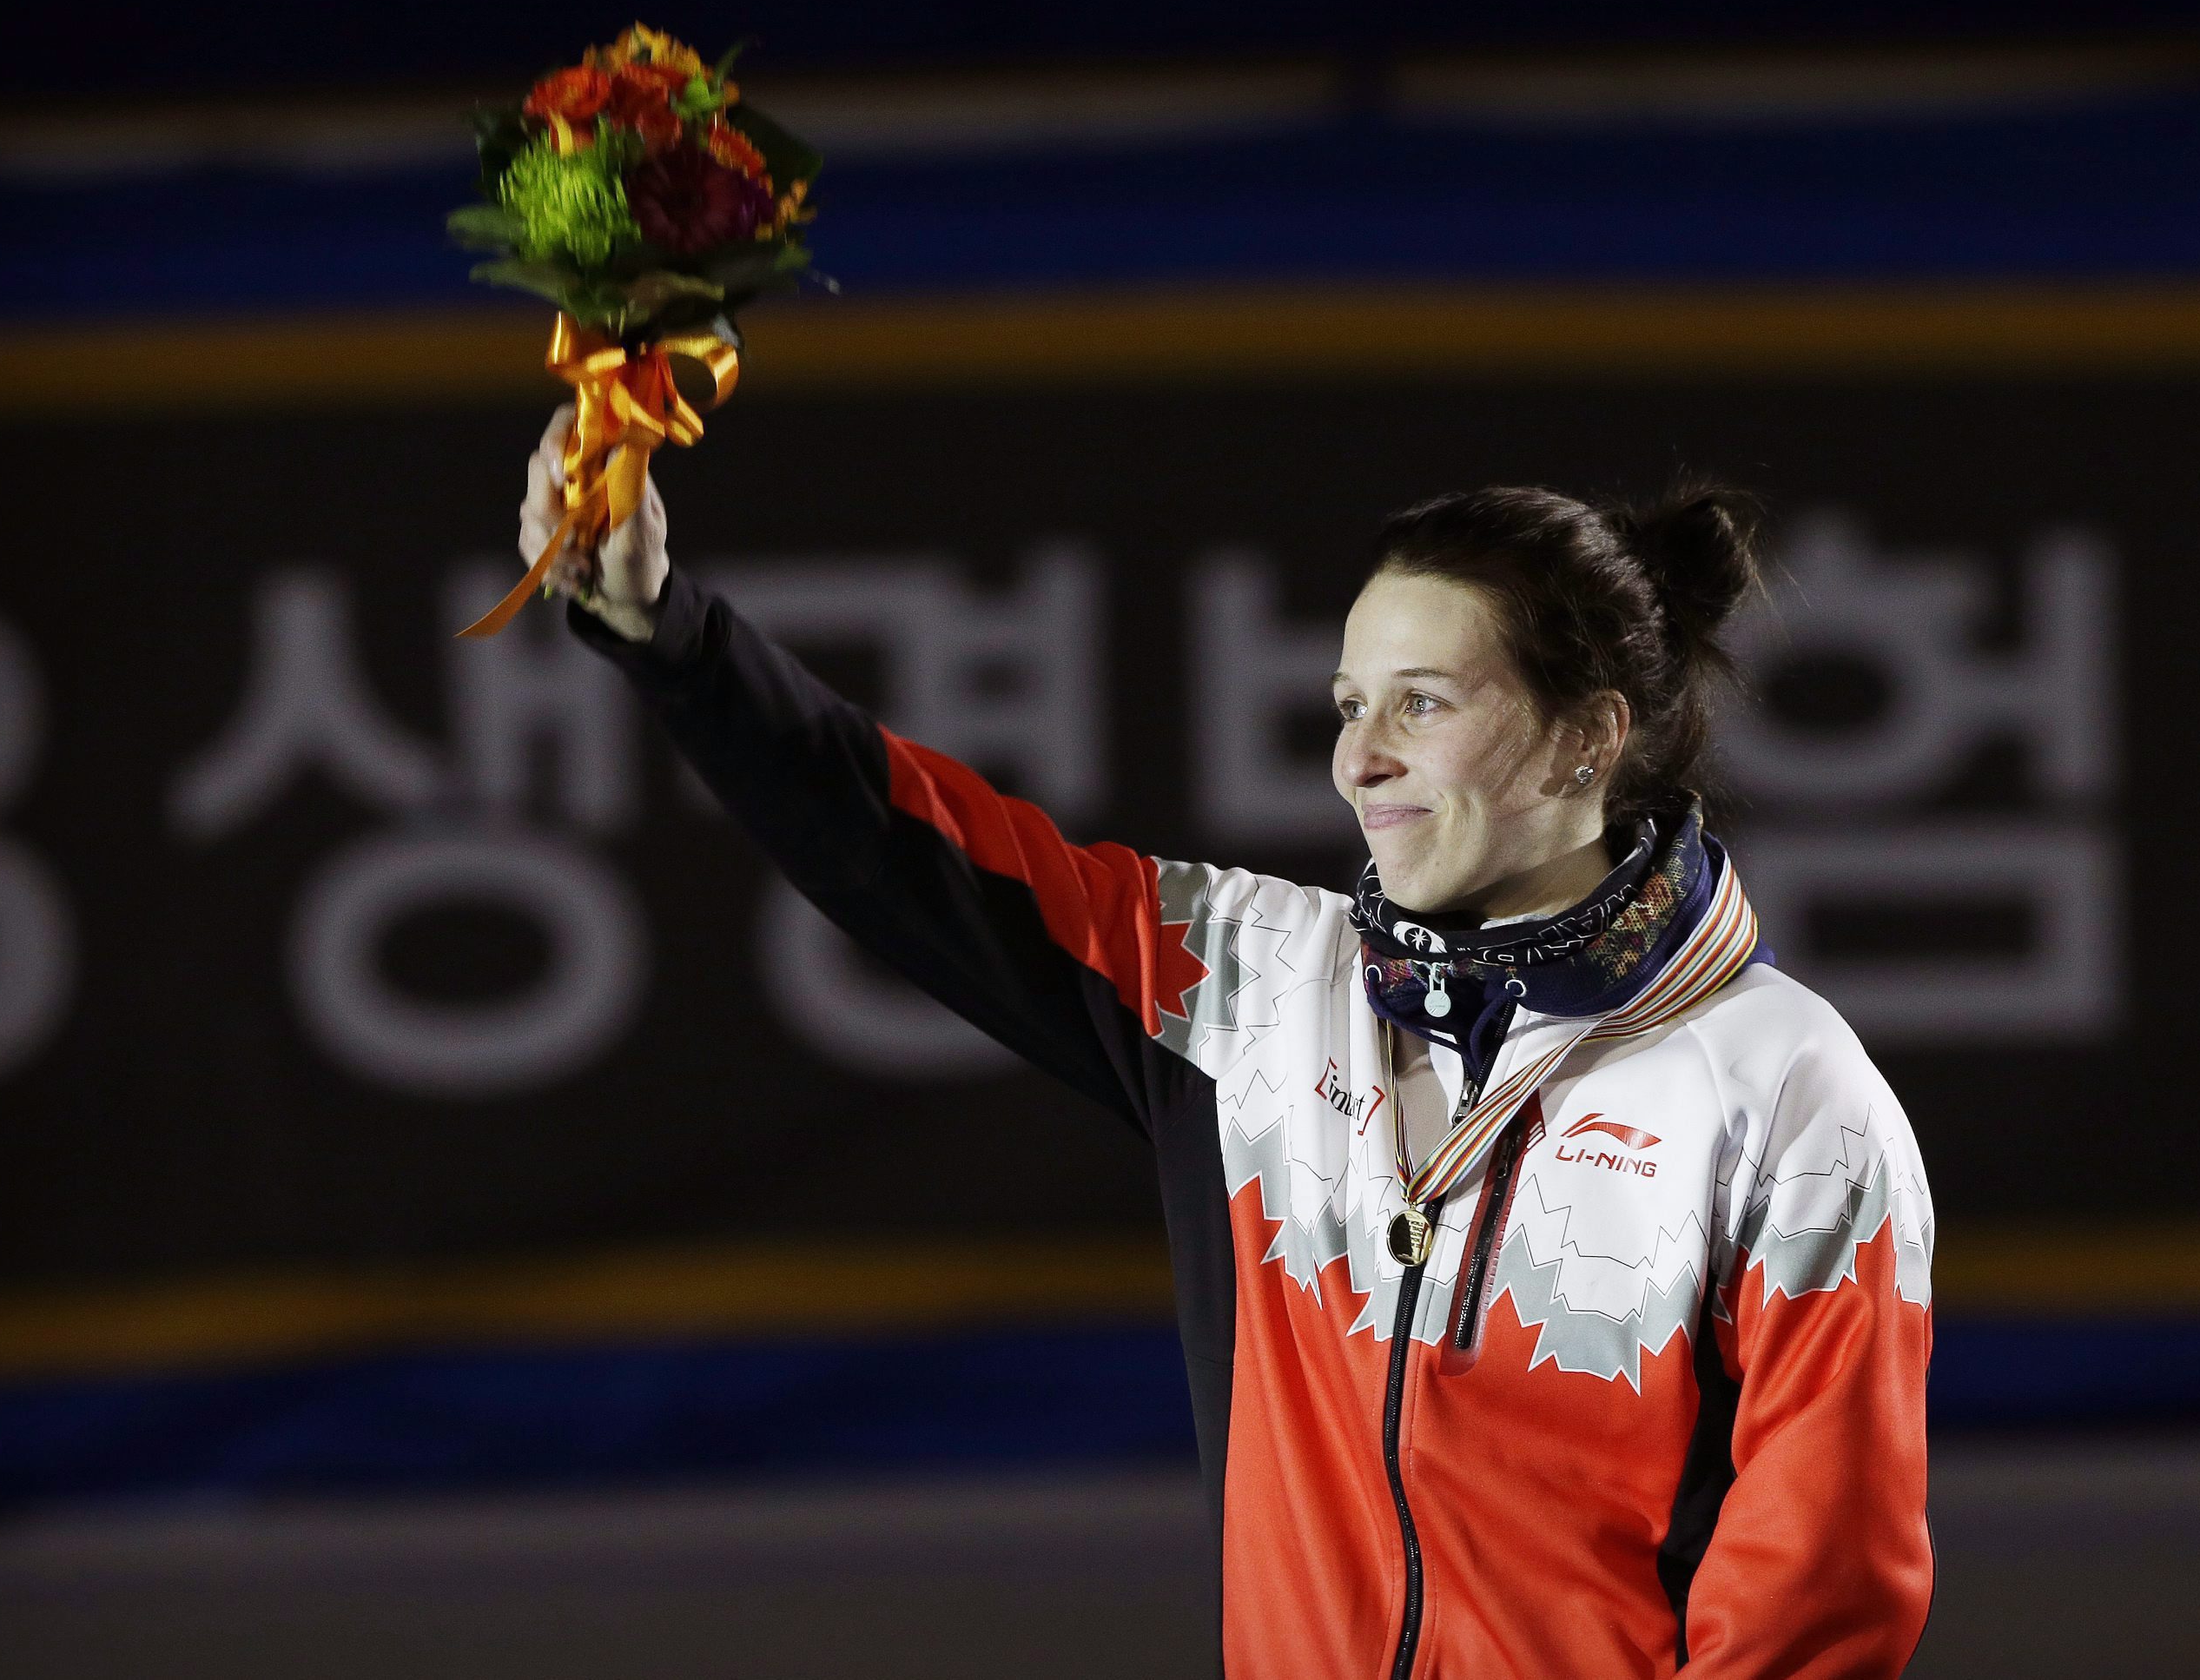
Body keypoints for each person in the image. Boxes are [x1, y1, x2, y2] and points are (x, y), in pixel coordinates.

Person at [520, 405, 1936, 1678]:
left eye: (1422, 704)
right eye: (1347, 706)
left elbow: (1818, 1597)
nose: (1358, 758)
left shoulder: (1788, 1094)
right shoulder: (1248, 981)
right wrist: (668, 633)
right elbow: (912, 849)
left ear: (1587, 738)